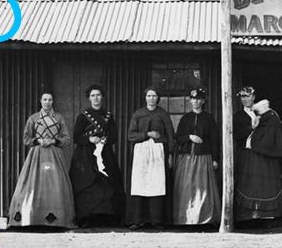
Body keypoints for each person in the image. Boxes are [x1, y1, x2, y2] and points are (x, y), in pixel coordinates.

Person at [8, 91, 76, 228]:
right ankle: (32, 219)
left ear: (53, 102)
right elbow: (26, 139)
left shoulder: (59, 118)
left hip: (54, 154)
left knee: (56, 184)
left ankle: (59, 220)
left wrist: (53, 140)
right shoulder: (33, 118)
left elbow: (67, 139)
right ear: (40, 101)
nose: (47, 102)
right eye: (45, 99)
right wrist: (38, 140)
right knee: (32, 183)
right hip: (37, 155)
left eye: (50, 99)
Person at [233, 86, 282, 222]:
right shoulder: (238, 116)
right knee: (248, 185)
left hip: (266, 156)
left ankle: (268, 217)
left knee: (267, 185)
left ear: (253, 96)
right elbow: (236, 135)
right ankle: (248, 217)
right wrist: (252, 127)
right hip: (248, 156)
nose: (245, 99)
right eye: (242, 96)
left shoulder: (267, 114)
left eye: (247, 96)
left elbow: (276, 130)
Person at [69, 84, 124, 227]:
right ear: (89, 98)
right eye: (93, 96)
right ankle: (88, 218)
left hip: (105, 154)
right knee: (88, 183)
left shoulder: (108, 116)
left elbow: (114, 137)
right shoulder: (83, 116)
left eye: (98, 95)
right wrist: (89, 139)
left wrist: (106, 140)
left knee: (109, 181)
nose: (96, 98)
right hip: (86, 156)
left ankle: (107, 218)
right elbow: (76, 137)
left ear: (102, 97)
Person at [172, 88, 221, 226]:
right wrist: (189, 136)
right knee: (187, 188)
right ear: (190, 100)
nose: (195, 101)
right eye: (193, 99)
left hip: (203, 157)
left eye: (198, 99)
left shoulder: (209, 118)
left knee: (203, 188)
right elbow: (178, 138)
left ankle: (204, 219)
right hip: (187, 158)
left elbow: (215, 140)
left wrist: (215, 159)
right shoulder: (185, 118)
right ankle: (186, 220)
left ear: (203, 101)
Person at [126, 87, 173, 228]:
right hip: (141, 152)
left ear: (158, 98)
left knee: (156, 184)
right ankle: (137, 220)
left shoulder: (163, 114)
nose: (151, 98)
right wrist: (147, 134)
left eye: (154, 96)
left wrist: (170, 154)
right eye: (149, 96)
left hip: (158, 153)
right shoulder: (138, 113)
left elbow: (170, 135)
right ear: (145, 98)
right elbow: (130, 135)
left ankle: (157, 221)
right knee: (140, 184)